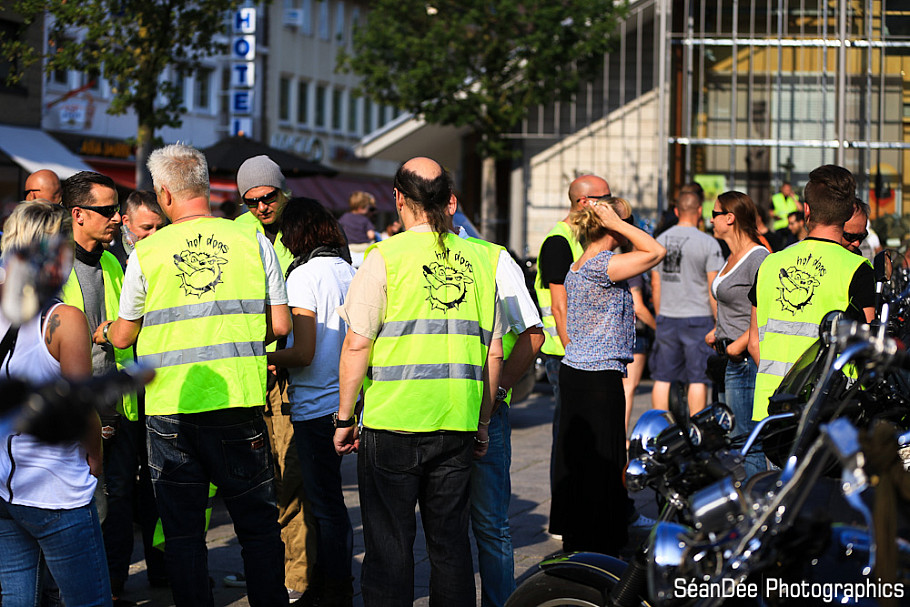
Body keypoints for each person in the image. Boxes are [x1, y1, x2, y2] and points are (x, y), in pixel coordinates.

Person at [106, 143, 292, 607]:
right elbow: (281, 325)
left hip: (171, 408)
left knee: (184, 534)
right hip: (238, 400)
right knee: (257, 526)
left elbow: (124, 336)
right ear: (205, 186)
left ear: (165, 194)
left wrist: (105, 330)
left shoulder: (146, 253)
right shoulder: (253, 242)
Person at [333, 157, 505, 606]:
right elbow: (493, 352)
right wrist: (483, 422)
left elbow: (357, 344)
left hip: (394, 421)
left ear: (398, 198)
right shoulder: (484, 258)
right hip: (457, 421)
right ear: (448, 200)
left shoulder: (384, 257)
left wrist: (344, 417)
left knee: (389, 547)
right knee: (450, 546)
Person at [0, 201, 110, 607]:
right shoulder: (64, 319)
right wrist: (96, 455)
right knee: (88, 600)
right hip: (56, 489)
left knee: (17, 600)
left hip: (5, 485)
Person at [550, 196, 665, 556]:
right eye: (627, 221)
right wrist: (617, 223)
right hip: (598, 376)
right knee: (603, 459)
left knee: (582, 458)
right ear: (612, 226)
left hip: (578, 370)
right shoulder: (603, 265)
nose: (633, 228)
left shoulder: (580, 265)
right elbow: (656, 251)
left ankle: (580, 539)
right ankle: (600, 542)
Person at [233, 155, 314, 600]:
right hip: (247, 370)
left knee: (288, 479)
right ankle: (267, 569)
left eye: (268, 197)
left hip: (286, 370)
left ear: (283, 192)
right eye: (252, 201)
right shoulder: (235, 234)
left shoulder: (301, 230)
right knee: (256, 482)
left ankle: (295, 578)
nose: (262, 207)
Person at [455, 201, 544, 607]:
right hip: (436, 412)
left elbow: (532, 334)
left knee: (488, 524)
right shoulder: (403, 253)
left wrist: (501, 389)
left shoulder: (491, 258)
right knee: (453, 527)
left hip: (480, 410)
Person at [267, 198, 355, 605]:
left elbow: (303, 352)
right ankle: (327, 583)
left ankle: (334, 590)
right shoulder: (349, 271)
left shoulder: (304, 276)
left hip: (314, 404)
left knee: (324, 507)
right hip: (345, 402)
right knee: (330, 502)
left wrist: (264, 358)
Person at [59, 171, 138, 604]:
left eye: (117, 210)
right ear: (78, 214)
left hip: (116, 404)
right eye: (107, 211)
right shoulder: (52, 265)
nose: (117, 218)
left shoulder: (111, 262)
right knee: (78, 506)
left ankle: (111, 589)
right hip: (71, 407)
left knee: (118, 501)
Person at [749, 165, 875, 422]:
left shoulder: (770, 264)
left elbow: (753, 342)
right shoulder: (857, 269)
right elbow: (868, 347)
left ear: (806, 210)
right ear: (847, 214)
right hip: (830, 410)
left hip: (771, 408)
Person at [534, 175, 610, 484]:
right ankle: (563, 502)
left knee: (582, 432)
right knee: (568, 432)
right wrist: (572, 350)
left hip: (578, 352)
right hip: (564, 354)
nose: (609, 203)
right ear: (584, 202)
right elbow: (558, 305)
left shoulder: (583, 238)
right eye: (604, 198)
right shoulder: (559, 241)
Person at [705, 191, 769, 477]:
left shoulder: (758, 257)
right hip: (727, 359)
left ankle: (755, 494)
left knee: (747, 442)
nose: (711, 220)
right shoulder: (731, 255)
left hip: (743, 362)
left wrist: (738, 344)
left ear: (730, 218)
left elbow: (767, 310)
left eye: (715, 214)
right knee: (732, 440)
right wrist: (717, 332)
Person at [650, 190, 724, 415]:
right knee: (698, 378)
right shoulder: (708, 243)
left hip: (667, 315)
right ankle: (695, 427)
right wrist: (718, 321)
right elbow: (713, 287)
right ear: (699, 211)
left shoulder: (660, 240)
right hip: (698, 317)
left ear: (676, 211)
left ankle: (659, 427)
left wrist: (660, 315)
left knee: (663, 377)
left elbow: (655, 284)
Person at [622, 266, 656, 434]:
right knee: (629, 387)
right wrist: (658, 328)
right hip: (635, 334)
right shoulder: (635, 272)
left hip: (623, 334)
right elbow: (638, 307)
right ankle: (622, 436)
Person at [109, 190, 168, 267]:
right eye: (147, 228)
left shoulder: (172, 255)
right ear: (126, 222)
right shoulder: (111, 260)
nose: (154, 234)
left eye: (160, 228)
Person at [338, 191, 377, 268]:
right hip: (364, 248)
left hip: (350, 248)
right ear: (361, 208)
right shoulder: (365, 219)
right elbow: (371, 235)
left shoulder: (345, 217)